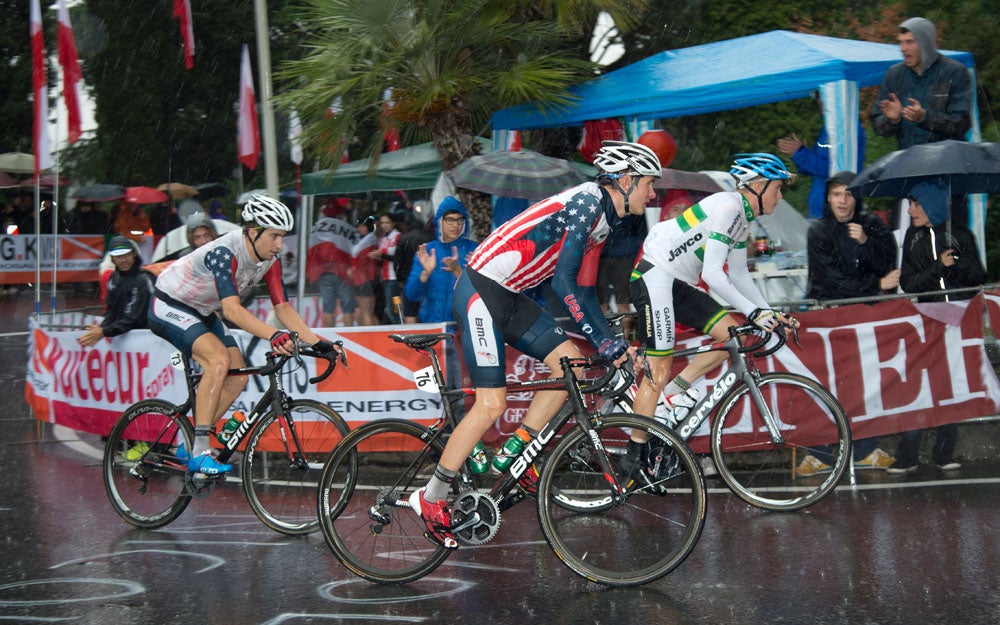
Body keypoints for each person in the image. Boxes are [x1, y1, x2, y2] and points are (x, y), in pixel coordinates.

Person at [409, 140, 662, 548]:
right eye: (650, 184)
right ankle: (431, 495)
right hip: (480, 290)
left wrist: (610, 343)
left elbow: (583, 289)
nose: (653, 194)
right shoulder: (587, 201)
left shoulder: (605, 219)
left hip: (510, 296)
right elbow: (562, 284)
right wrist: (606, 342)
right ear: (627, 179)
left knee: (573, 366)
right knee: (491, 402)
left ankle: (516, 450)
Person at [627, 153, 798, 480]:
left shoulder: (742, 216)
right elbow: (714, 275)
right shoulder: (728, 207)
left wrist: (768, 312)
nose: (780, 195)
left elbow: (738, 273)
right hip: (655, 278)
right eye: (777, 188)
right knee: (657, 369)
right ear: (758, 185)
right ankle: (634, 456)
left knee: (734, 337)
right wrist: (754, 311)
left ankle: (674, 394)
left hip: (677, 282)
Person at [148, 194, 337, 475]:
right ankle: (200, 450)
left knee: (238, 379)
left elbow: (283, 308)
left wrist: (318, 342)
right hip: (168, 303)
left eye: (282, 236)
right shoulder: (226, 252)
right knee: (218, 361)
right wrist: (274, 335)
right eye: (274, 236)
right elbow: (233, 311)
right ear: (252, 232)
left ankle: (187, 444)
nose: (279, 245)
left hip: (200, 310)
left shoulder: (269, 260)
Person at [796, 171, 900, 476]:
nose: (843, 200)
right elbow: (830, 281)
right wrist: (874, 285)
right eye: (836, 194)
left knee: (866, 383)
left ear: (858, 196)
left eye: (849, 194)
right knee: (823, 385)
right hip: (827, 318)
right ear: (828, 198)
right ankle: (819, 453)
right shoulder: (818, 230)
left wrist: (866, 243)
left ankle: (866, 449)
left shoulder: (873, 225)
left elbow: (890, 269)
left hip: (864, 317)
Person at [888, 179, 986, 474]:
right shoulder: (913, 237)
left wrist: (959, 263)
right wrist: (938, 267)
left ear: (930, 204)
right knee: (919, 387)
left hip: (958, 318)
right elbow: (908, 283)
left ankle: (944, 453)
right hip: (927, 319)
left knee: (950, 386)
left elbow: (978, 275)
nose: (910, 209)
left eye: (916, 203)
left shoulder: (961, 234)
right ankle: (907, 455)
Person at [404, 196, 477, 390]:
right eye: (450, 220)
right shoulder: (427, 251)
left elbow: (481, 295)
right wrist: (425, 274)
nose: (456, 225)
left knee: (461, 393)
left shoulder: (474, 250)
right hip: (431, 335)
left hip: (462, 334)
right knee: (430, 393)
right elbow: (411, 294)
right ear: (440, 222)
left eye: (460, 220)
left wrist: (460, 272)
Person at [870, 17, 971, 149]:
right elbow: (879, 128)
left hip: (946, 160)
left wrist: (925, 117)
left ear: (926, 44)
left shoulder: (954, 71)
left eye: (910, 42)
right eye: (900, 43)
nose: (903, 48)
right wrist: (892, 120)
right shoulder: (894, 75)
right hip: (909, 160)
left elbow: (961, 124)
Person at [777, 93, 867, 219]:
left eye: (827, 96)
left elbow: (837, 170)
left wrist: (800, 153)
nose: (821, 102)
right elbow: (815, 169)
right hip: (822, 211)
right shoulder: (829, 127)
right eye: (820, 98)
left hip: (838, 212)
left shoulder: (847, 127)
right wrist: (797, 153)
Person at [77, 236, 155, 347]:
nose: (123, 260)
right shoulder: (114, 278)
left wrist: (104, 331)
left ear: (134, 254)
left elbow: (135, 317)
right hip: (126, 336)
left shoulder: (143, 279)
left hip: (148, 336)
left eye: (127, 255)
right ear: (112, 258)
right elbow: (111, 309)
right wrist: (102, 328)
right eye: (118, 257)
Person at [306, 198, 358, 327]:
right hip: (343, 270)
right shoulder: (346, 228)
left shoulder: (316, 227)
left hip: (323, 271)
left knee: (328, 308)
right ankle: (350, 337)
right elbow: (354, 247)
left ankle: (330, 337)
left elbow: (310, 249)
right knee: (347, 307)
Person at [394, 208, 435, 324]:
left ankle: (412, 338)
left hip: (408, 278)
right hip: (428, 277)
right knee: (425, 308)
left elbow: (397, 261)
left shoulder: (404, 238)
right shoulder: (430, 237)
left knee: (409, 312)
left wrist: (400, 279)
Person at [370, 213, 401, 324]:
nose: (385, 225)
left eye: (387, 222)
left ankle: (401, 329)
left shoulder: (397, 236)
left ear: (393, 223)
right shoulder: (383, 238)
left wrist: (381, 255)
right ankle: (399, 328)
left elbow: (397, 256)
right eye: (382, 223)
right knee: (391, 308)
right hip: (385, 277)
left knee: (392, 309)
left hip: (394, 277)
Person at [351, 215, 380, 326]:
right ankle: (377, 336)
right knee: (370, 313)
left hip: (363, 278)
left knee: (365, 312)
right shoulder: (373, 240)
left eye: (363, 226)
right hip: (371, 277)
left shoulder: (366, 241)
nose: (360, 229)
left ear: (369, 227)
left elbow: (358, 260)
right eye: (359, 226)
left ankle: (370, 339)